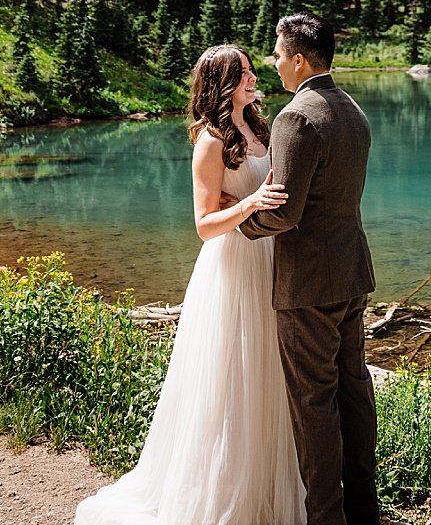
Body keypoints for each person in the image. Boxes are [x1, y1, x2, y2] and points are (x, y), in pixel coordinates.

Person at [74, 44, 303, 525]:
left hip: (270, 258)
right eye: (241, 73)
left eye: (250, 69)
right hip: (234, 264)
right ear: (221, 82)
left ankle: (268, 491)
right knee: (232, 378)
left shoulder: (260, 127)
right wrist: (252, 202)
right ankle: (224, 496)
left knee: (268, 371)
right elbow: (203, 224)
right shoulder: (211, 140)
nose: (252, 77)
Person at [241, 13, 380, 525]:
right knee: (353, 389)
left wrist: (239, 224)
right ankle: (365, 509)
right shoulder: (353, 110)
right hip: (352, 273)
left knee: (313, 402)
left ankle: (325, 517)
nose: (274, 65)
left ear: (299, 59)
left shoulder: (295, 118)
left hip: (308, 286)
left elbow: (283, 211)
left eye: (278, 56)